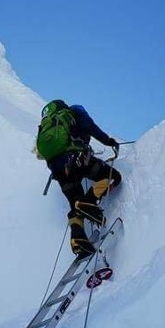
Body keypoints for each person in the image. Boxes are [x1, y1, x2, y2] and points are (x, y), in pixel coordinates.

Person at [36, 99, 122, 255]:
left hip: (58, 171)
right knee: (113, 176)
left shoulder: (48, 126)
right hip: (76, 159)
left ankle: (78, 240)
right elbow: (90, 127)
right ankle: (88, 202)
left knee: (75, 203)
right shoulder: (74, 111)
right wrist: (108, 141)